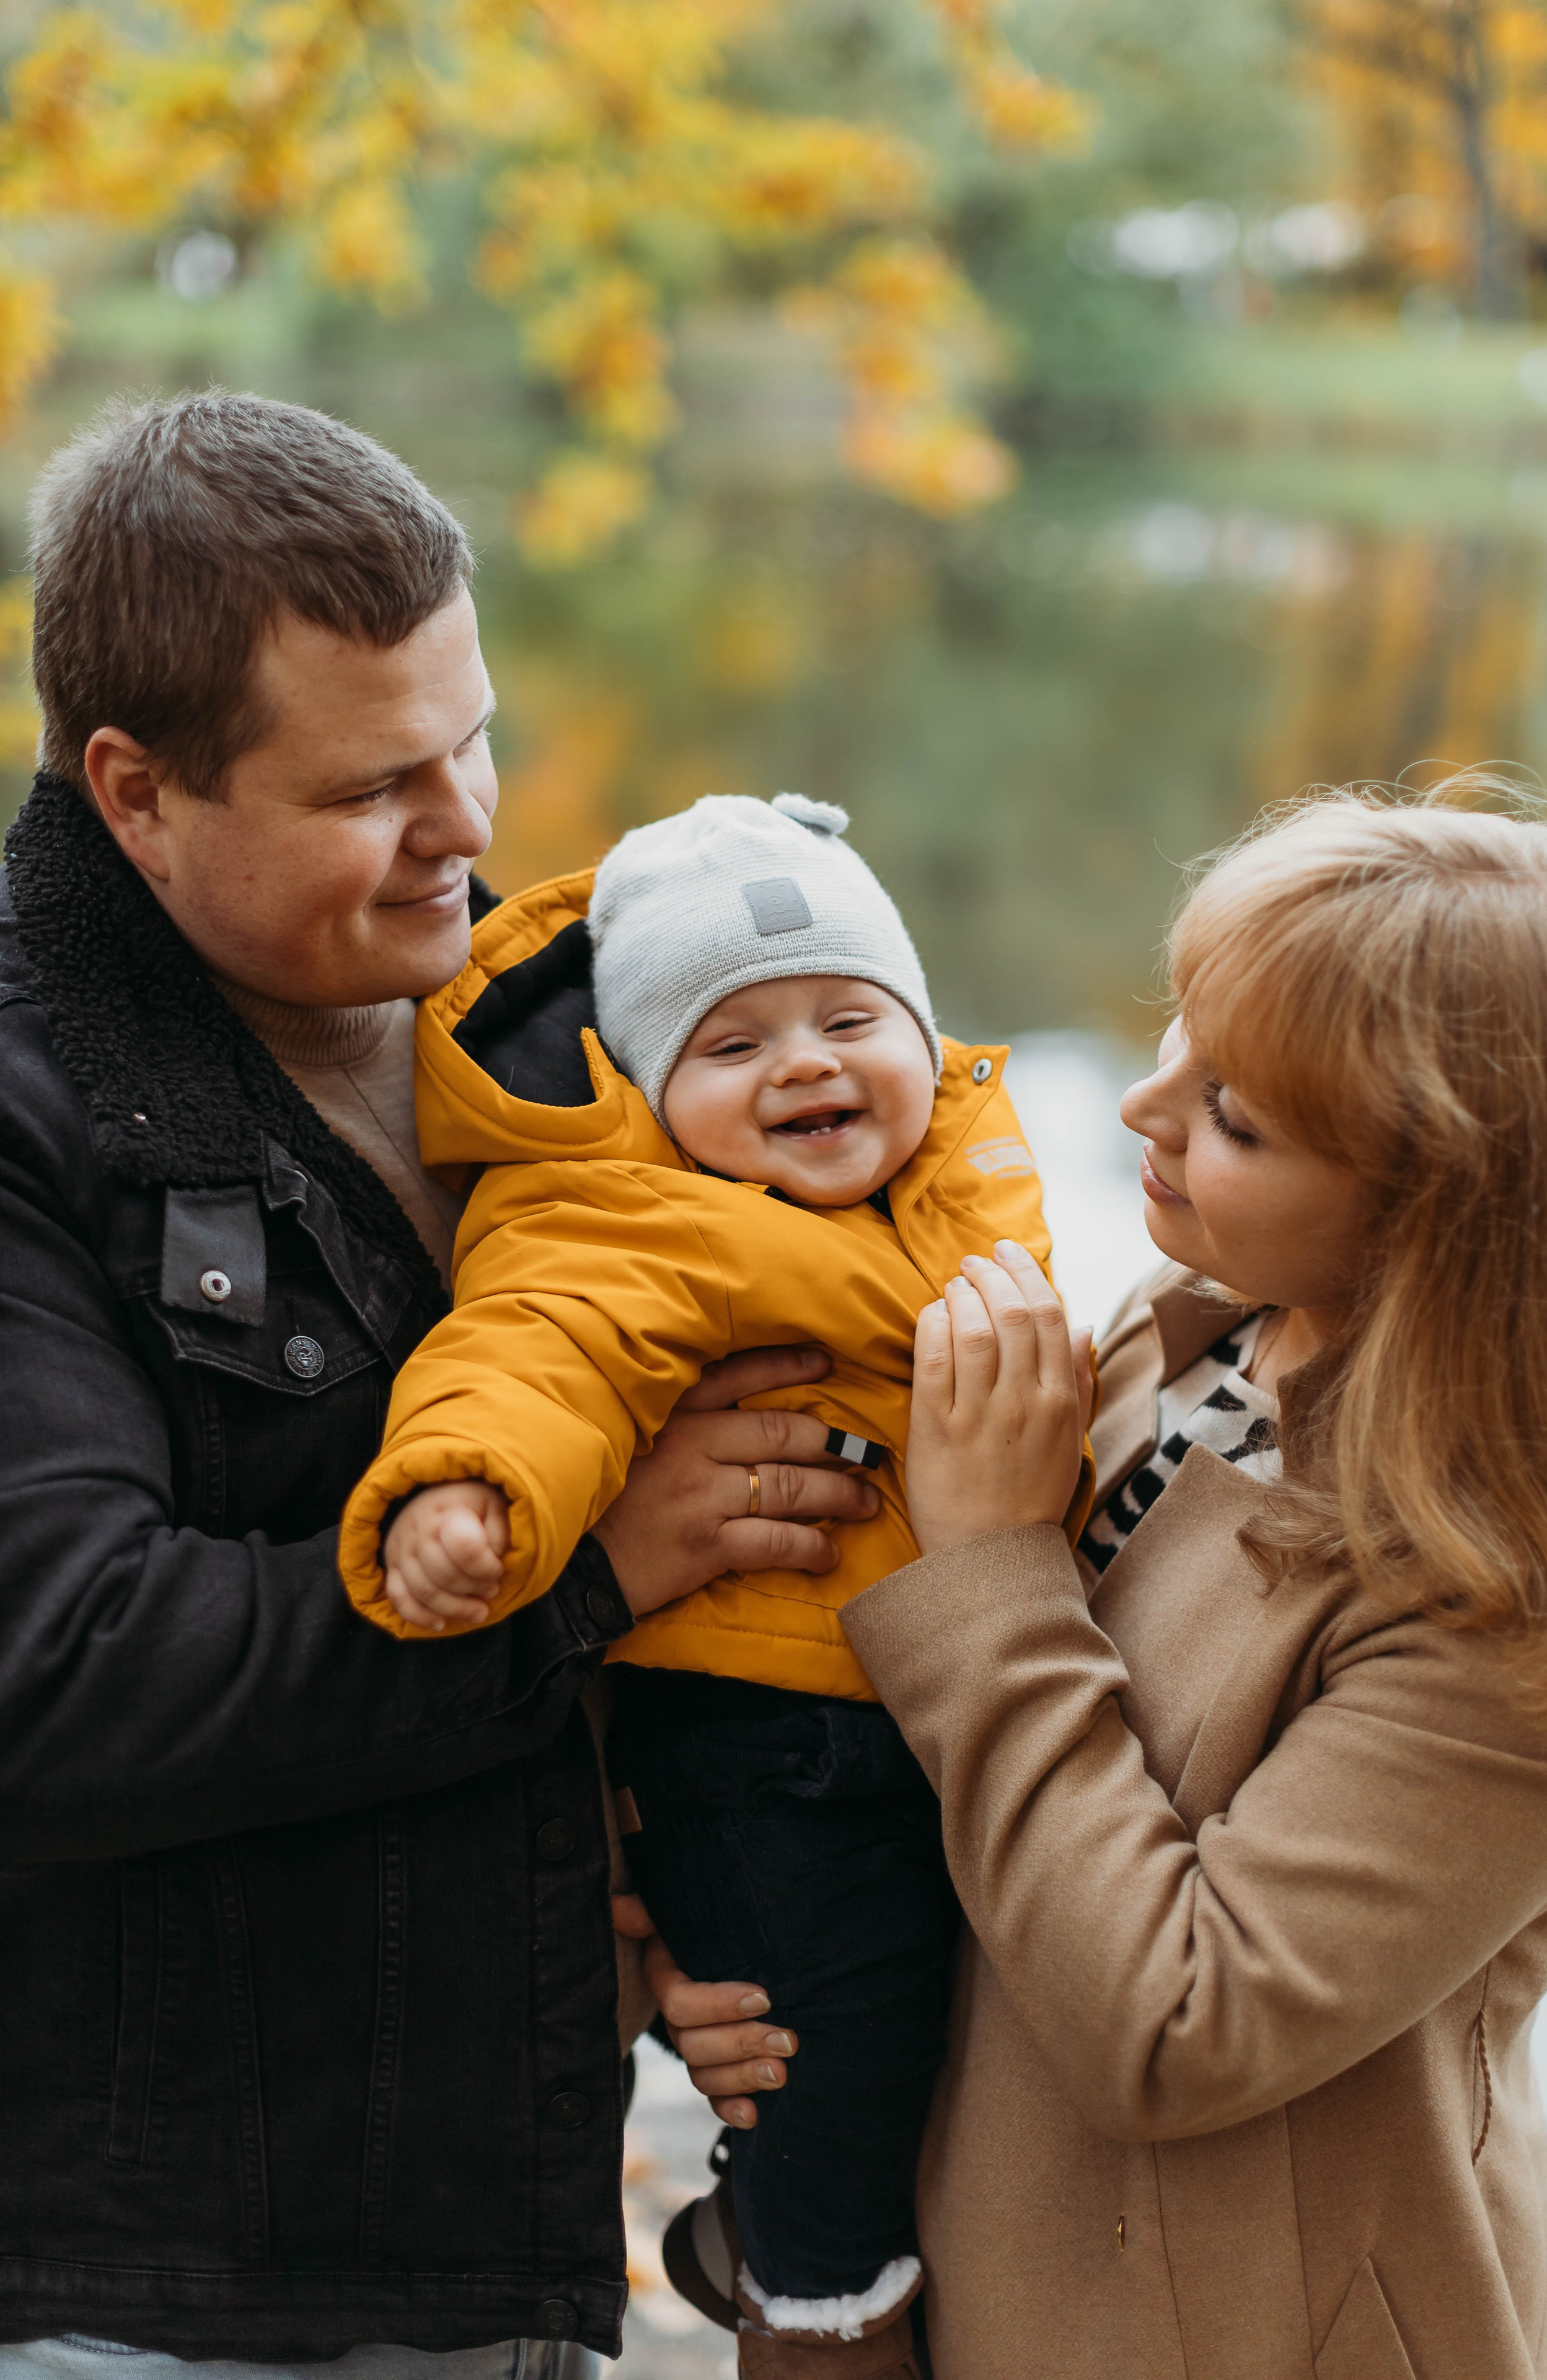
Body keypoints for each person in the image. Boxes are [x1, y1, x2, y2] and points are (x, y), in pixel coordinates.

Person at [0, 389, 865, 2377]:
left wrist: (686, 1889)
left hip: (503, 2228)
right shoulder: (28, 1106)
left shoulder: (544, 1026)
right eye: (376, 784)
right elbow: (57, 1679)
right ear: (134, 791)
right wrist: (586, 1575)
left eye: (469, 736)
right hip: (177, 2294)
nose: (468, 825)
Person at [825, 791, 1547, 2380]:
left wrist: (987, 1566)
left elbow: (1175, 2025)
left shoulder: (1507, 1593)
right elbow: (989, 1820)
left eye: (1235, 1117)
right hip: (987, 2282)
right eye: (1178, 1034)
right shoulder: (1182, 1337)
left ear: (1449, 1216)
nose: (1141, 1112)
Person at [333, 790, 1091, 2379]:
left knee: (953, 2057)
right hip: (769, 1752)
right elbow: (531, 1353)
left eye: (845, 1016)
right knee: (819, 2075)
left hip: (948, 1704)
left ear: (918, 1026)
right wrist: (469, 1492)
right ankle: (816, 2302)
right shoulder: (628, 1223)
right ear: (650, 1092)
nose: (807, 1063)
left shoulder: (967, 1159)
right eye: (731, 1048)